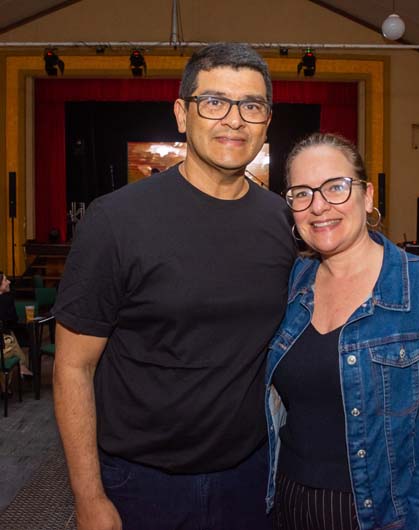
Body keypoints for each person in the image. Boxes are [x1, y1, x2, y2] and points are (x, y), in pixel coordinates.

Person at [53, 43, 296, 530]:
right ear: (182, 115)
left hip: (251, 478)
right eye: (214, 102)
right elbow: (73, 367)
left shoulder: (284, 221)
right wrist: (88, 496)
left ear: (267, 121)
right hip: (139, 483)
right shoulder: (116, 220)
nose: (234, 119)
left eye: (251, 106)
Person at [265, 133, 419, 530]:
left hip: (378, 515)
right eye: (302, 193)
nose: (319, 206)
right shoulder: (293, 284)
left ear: (367, 196)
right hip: (287, 503)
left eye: (336, 187)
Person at [0, 271, 32, 385]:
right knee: (14, 348)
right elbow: (13, 320)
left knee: (10, 337)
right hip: (4, 342)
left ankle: (6, 388)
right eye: (5, 280)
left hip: (5, 335)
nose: (9, 282)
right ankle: (22, 368)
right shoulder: (6, 300)